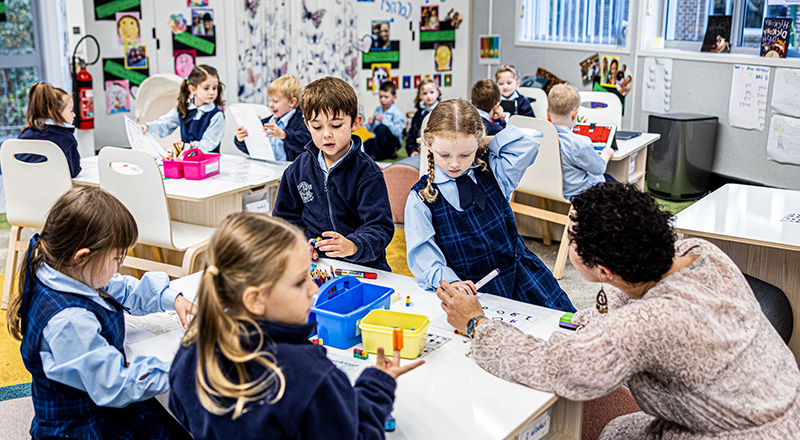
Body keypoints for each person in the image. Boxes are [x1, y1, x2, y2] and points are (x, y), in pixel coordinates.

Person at [437, 182, 800, 439]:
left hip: (743, 431)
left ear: (603, 272)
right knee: (617, 430)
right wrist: (595, 323)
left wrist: (476, 322)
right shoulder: (699, 251)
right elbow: (641, 305)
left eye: (571, 238)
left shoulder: (645, 325)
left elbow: (555, 367)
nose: (567, 239)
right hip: (771, 398)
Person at [168, 213, 424, 439]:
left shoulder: (192, 347)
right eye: (301, 281)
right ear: (255, 299)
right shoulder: (307, 375)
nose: (314, 289)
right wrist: (378, 385)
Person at [5, 186, 196, 439]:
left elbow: (120, 288)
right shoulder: (69, 321)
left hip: (97, 398)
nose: (121, 264)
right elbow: (115, 385)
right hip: (81, 426)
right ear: (82, 256)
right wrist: (182, 368)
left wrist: (170, 298)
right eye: (117, 257)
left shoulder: (60, 268)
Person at [405, 99, 573, 310]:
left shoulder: (495, 171)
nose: (455, 164)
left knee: (560, 329)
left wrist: (485, 142)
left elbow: (527, 146)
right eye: (445, 155)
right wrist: (451, 282)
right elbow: (424, 257)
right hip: (472, 291)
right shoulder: (420, 198)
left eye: (465, 154)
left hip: (521, 278)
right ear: (429, 144)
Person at [272, 77, 395, 271]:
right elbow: (285, 219)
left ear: (355, 123)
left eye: (336, 125)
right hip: (318, 266)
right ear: (307, 125)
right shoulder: (297, 169)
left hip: (365, 266)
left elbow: (380, 227)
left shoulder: (367, 172)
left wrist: (353, 245)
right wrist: (300, 243)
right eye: (317, 127)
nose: (326, 134)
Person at [547, 84, 614, 200]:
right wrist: (606, 154)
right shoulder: (579, 143)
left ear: (548, 112)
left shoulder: (542, 137)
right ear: (575, 114)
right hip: (580, 197)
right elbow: (599, 168)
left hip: (551, 194)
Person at [141, 64, 225, 153]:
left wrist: (185, 147)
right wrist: (148, 127)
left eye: (214, 88)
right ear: (193, 89)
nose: (212, 92)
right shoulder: (184, 109)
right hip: (187, 160)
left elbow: (209, 143)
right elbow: (165, 124)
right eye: (206, 88)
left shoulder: (217, 115)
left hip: (208, 162)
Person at [235, 74, 311, 161]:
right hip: (268, 167)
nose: (271, 105)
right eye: (270, 100)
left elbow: (305, 144)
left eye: (275, 101)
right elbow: (254, 149)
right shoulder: (266, 122)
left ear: (292, 102)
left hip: (289, 170)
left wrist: (284, 135)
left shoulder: (301, 121)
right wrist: (241, 140)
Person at [17, 82, 81, 178]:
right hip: (56, 191)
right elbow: (74, 172)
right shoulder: (66, 138)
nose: (74, 115)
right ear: (55, 113)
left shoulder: (24, 135)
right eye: (71, 110)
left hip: (25, 190)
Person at [363, 80, 404, 161]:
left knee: (382, 128)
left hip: (392, 142)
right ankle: (381, 153)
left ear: (394, 97)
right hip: (379, 141)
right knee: (367, 144)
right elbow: (371, 130)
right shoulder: (378, 110)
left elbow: (398, 132)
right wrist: (371, 124)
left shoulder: (397, 113)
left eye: (386, 97)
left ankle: (379, 156)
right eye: (380, 97)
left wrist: (384, 121)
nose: (382, 100)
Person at [406, 78, 440, 156]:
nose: (428, 96)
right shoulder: (419, 114)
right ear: (420, 96)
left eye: (432, 92)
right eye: (425, 93)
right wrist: (412, 150)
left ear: (437, 93)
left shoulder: (441, 112)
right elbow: (411, 135)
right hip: (419, 152)